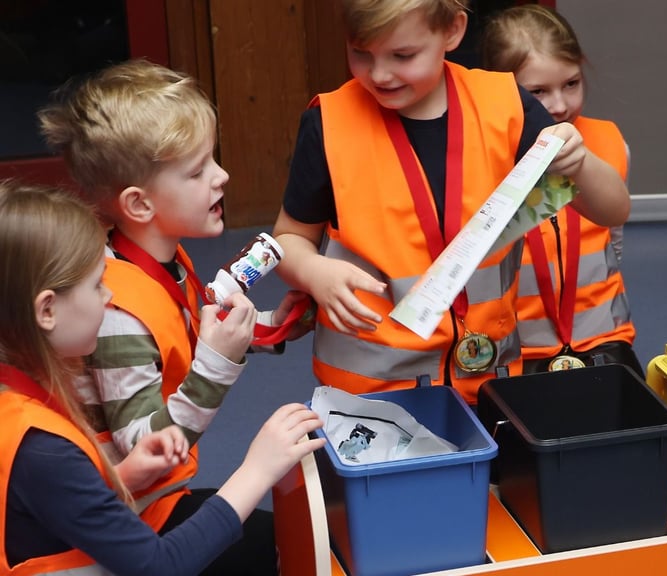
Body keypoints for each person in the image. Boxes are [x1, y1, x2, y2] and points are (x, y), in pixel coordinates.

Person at [272, 0, 630, 404]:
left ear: (453, 32)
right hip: (372, 393)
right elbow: (287, 238)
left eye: (403, 55)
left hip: (490, 379)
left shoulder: (505, 107)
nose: (379, 74)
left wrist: (579, 163)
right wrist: (312, 269)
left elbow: (612, 210)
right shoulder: (329, 124)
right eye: (360, 53)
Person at [37, 59, 308, 574]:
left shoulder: (157, 259)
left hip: (150, 503)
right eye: (197, 170)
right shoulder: (116, 315)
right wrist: (216, 368)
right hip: (130, 524)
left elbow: (175, 340)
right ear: (139, 204)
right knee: (280, 548)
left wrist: (271, 326)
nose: (221, 176)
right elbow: (146, 445)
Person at [0, 179, 326, 575]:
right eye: (96, 284)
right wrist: (257, 469)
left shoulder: (20, 397)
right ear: (46, 310)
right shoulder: (43, 450)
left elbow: (49, 505)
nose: (108, 296)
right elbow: (159, 566)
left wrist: (121, 477)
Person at [479, 3, 642, 376]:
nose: (560, 105)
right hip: (516, 346)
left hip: (602, 334)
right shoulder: (481, 153)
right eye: (538, 91)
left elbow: (612, 242)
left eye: (571, 83)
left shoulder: (608, 141)